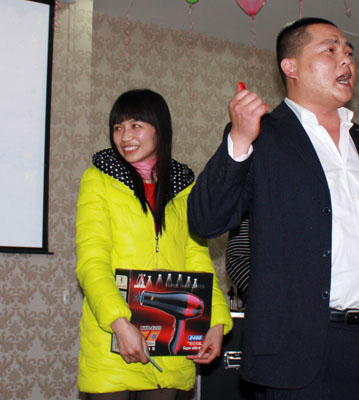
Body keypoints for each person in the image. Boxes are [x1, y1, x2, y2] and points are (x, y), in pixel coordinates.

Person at [188, 17, 359, 399]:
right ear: (290, 67)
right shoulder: (263, 135)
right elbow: (205, 220)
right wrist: (239, 139)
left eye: (349, 52)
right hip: (305, 349)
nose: (346, 60)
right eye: (330, 50)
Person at [75, 89, 233, 400]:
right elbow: (92, 261)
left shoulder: (184, 187)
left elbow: (197, 259)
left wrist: (216, 323)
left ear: (159, 128)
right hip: (113, 340)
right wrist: (120, 324)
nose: (124, 136)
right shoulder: (98, 180)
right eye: (118, 127)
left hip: (169, 347)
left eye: (135, 125)